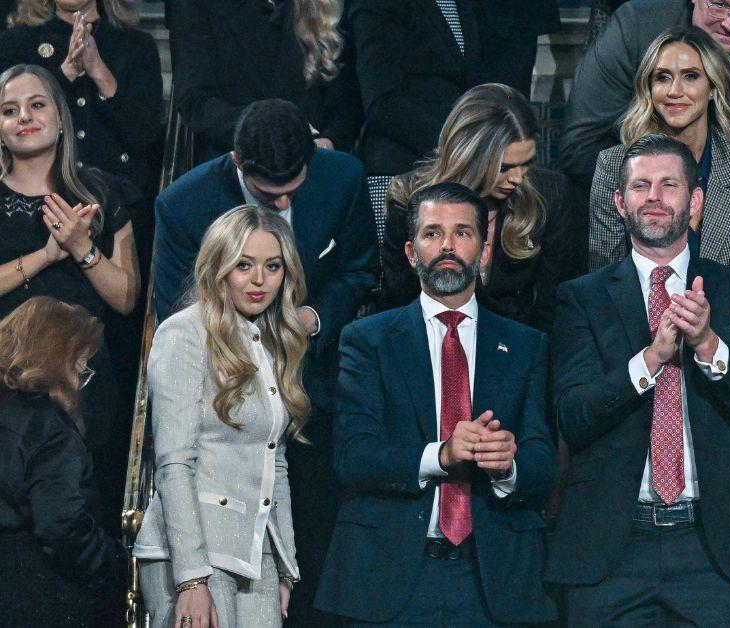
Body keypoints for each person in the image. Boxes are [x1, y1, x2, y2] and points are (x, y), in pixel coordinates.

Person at [152, 97, 377, 626]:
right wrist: (192, 579)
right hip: (220, 416)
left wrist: (312, 319)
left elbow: (360, 269)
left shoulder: (342, 177)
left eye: (291, 192)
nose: (279, 205)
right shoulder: (184, 205)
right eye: (265, 193)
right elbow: (177, 311)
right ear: (236, 162)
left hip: (307, 397)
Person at [549, 133, 730, 625]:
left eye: (669, 184)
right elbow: (573, 417)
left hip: (717, 550)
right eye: (640, 186)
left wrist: (708, 346)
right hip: (612, 550)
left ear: (696, 201)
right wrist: (650, 360)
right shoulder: (581, 298)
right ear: (619, 202)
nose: (654, 197)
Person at [316, 182, 557, 626]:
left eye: (462, 233)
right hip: (387, 580)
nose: (447, 245)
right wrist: (440, 455)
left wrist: (509, 464)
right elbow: (353, 457)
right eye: (432, 233)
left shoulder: (525, 345)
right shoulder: (366, 340)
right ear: (410, 253)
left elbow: (544, 459)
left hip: (493, 583)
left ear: (484, 252)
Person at [133, 206, 311, 628]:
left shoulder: (273, 341)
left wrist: (285, 563)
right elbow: (173, 463)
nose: (258, 280)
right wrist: (192, 580)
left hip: (256, 549)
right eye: (243, 265)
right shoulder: (184, 333)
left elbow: (275, 459)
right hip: (192, 552)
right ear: (218, 266)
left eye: (272, 267)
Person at [0, 63, 139, 536]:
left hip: (84, 382)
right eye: (9, 110)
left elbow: (125, 298)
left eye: (37, 105)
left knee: (81, 513)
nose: (24, 117)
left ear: (61, 117)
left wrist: (83, 249)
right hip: (7, 383)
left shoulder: (99, 190)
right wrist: (44, 255)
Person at [589, 26, 730, 322]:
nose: (674, 91)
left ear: (713, 86)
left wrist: (713, 348)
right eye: (663, 78)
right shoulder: (614, 165)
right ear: (649, 89)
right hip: (640, 344)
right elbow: (604, 281)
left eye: (691, 76)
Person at [381, 82, 584, 333]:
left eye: (526, 164)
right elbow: (399, 308)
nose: (518, 178)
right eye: (505, 168)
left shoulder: (550, 196)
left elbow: (553, 307)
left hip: (521, 350)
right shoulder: (411, 203)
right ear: (469, 155)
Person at [561, 0, 730, 194]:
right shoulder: (635, 27)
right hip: (628, 209)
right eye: (719, 5)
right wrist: (665, 192)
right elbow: (580, 148)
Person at [0, 296, 121, 627]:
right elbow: (60, 525)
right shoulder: (47, 429)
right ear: (56, 355)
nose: (83, 372)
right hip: (37, 597)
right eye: (79, 361)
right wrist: (111, 563)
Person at [0, 0, 163, 199]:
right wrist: (66, 72)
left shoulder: (137, 45)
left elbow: (144, 138)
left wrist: (99, 71)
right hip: (40, 195)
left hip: (122, 197)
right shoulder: (15, 44)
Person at [166, 0, 359, 161]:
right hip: (237, 166)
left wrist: (330, 140)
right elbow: (196, 102)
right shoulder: (199, 6)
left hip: (314, 165)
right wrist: (269, 129)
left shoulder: (323, 7)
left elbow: (347, 98)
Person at [349, 0, 486, 175]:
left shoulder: (462, 5)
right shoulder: (380, 4)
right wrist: (456, 146)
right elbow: (381, 101)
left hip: (458, 166)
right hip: (403, 167)